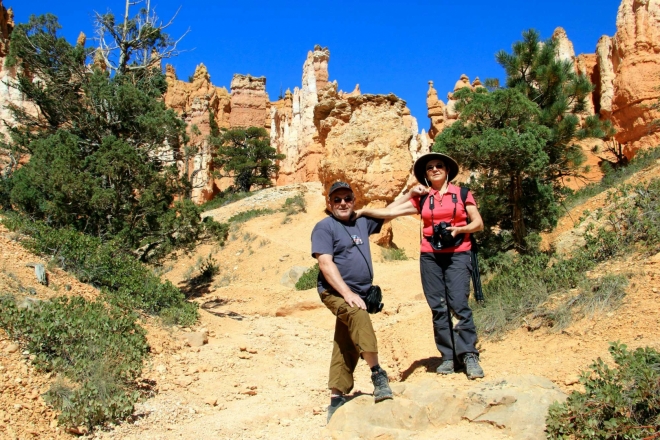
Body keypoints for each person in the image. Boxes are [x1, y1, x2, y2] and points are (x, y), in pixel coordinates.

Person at [355, 153, 485, 380]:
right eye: (430, 168)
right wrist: (365, 211)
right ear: (425, 174)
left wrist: (459, 230)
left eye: (439, 166)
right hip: (430, 256)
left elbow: (478, 223)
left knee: (459, 303)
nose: (434, 169)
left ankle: (468, 355)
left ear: (447, 170)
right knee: (438, 305)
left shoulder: (462, 194)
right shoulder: (424, 198)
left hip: (458, 254)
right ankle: (447, 356)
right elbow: (389, 213)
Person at [311, 181, 393, 423]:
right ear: (329, 204)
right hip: (334, 292)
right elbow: (325, 263)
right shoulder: (324, 227)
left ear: (354, 201)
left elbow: (393, 212)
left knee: (345, 336)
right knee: (357, 314)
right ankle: (377, 374)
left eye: (347, 198)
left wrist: (413, 194)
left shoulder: (360, 222)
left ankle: (336, 395)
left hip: (358, 291)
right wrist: (347, 293)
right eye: (337, 200)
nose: (343, 203)